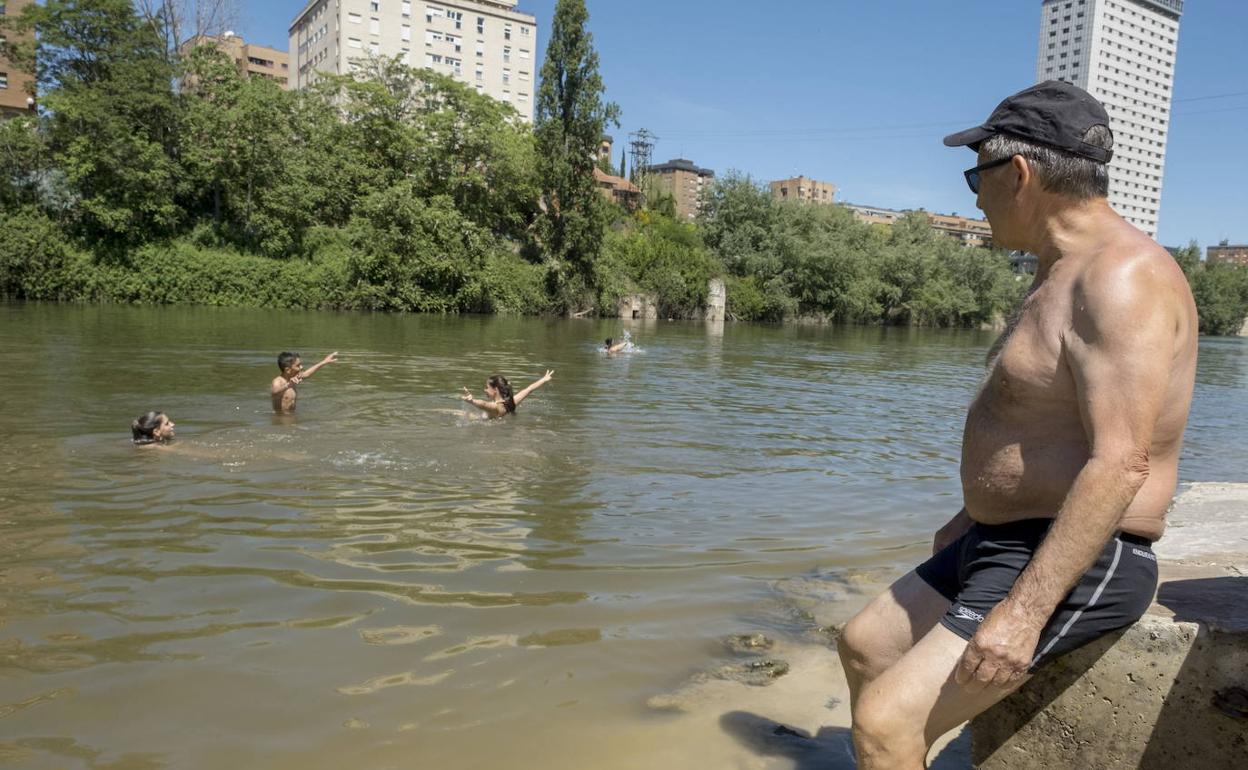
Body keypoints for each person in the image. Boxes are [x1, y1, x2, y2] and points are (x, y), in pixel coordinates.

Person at [835, 81, 1198, 769]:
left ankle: (894, 746)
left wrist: (1024, 615)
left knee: (885, 724)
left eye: (978, 174)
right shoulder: (1059, 270)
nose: (973, 194)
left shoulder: (1120, 278)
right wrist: (972, 516)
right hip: (1004, 540)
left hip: (1083, 553)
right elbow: (1043, 423)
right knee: (865, 643)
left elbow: (1121, 461)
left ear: (1021, 173)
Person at [460, 370, 554, 418]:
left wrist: (472, 401)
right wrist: (544, 379)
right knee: (457, 413)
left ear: (495, 389)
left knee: (452, 412)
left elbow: (483, 404)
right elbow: (529, 389)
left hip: (490, 429)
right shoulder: (510, 402)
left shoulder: (495, 407)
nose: (485, 390)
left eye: (487, 387)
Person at [271, 351, 338, 413]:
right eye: (298, 365)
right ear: (288, 370)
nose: (301, 367)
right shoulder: (278, 381)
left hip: (291, 415)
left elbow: (306, 374)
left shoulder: (293, 378)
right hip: (281, 417)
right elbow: (275, 391)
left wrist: (324, 362)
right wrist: (288, 385)